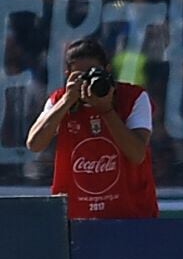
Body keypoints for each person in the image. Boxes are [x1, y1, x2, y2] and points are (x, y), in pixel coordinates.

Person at [25, 37, 159, 219]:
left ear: (108, 70)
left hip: (132, 217)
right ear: (68, 75)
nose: (88, 83)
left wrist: (107, 110)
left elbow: (137, 154)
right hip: (77, 218)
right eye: (80, 76)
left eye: (93, 74)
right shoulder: (60, 101)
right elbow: (34, 144)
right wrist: (66, 101)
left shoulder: (133, 97)